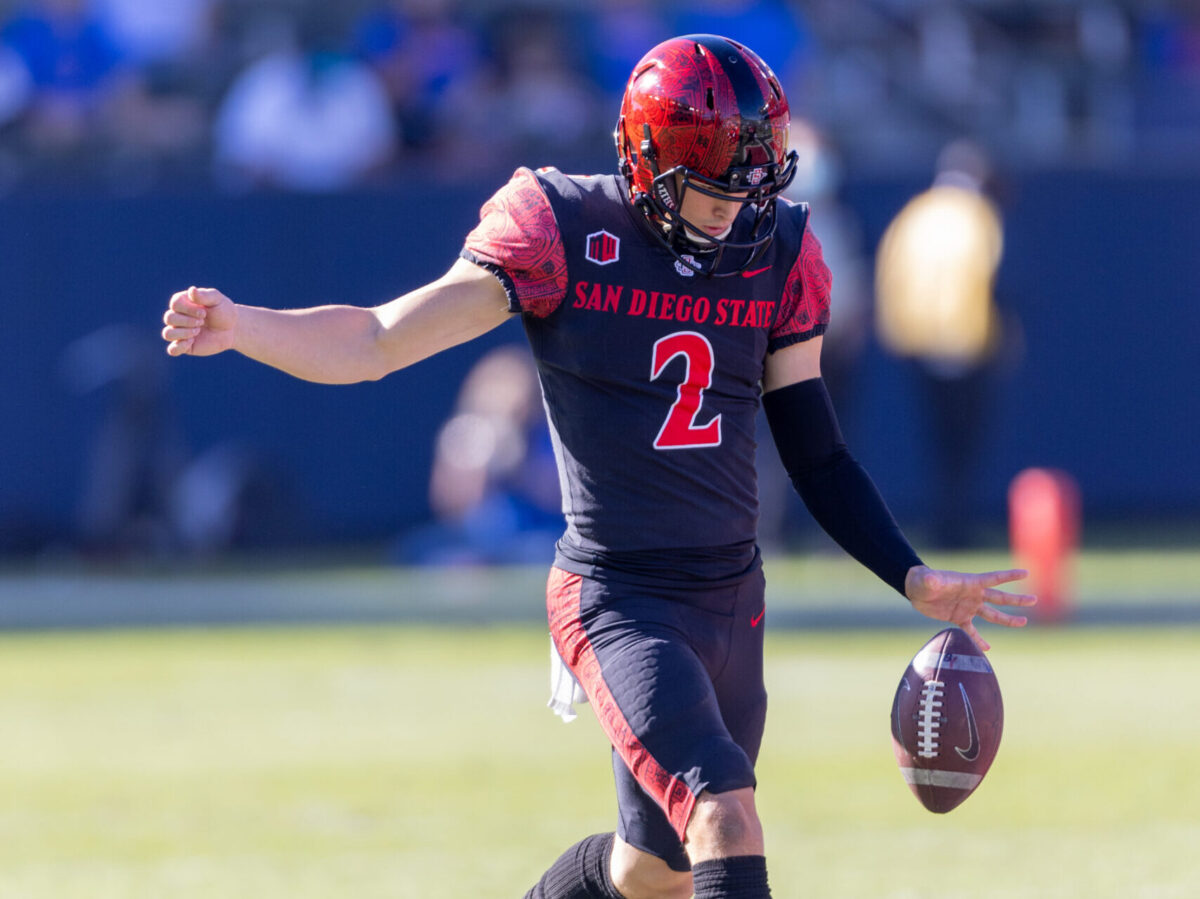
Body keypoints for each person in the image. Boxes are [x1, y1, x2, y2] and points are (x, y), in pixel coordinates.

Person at [161, 34, 1035, 899]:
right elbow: (377, 339)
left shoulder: (779, 251)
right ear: (648, 161)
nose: (737, 206)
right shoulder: (560, 229)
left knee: (654, 871)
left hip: (731, 591)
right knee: (727, 818)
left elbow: (817, 447)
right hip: (620, 594)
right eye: (713, 186)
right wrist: (246, 326)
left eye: (752, 181)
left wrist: (909, 574)